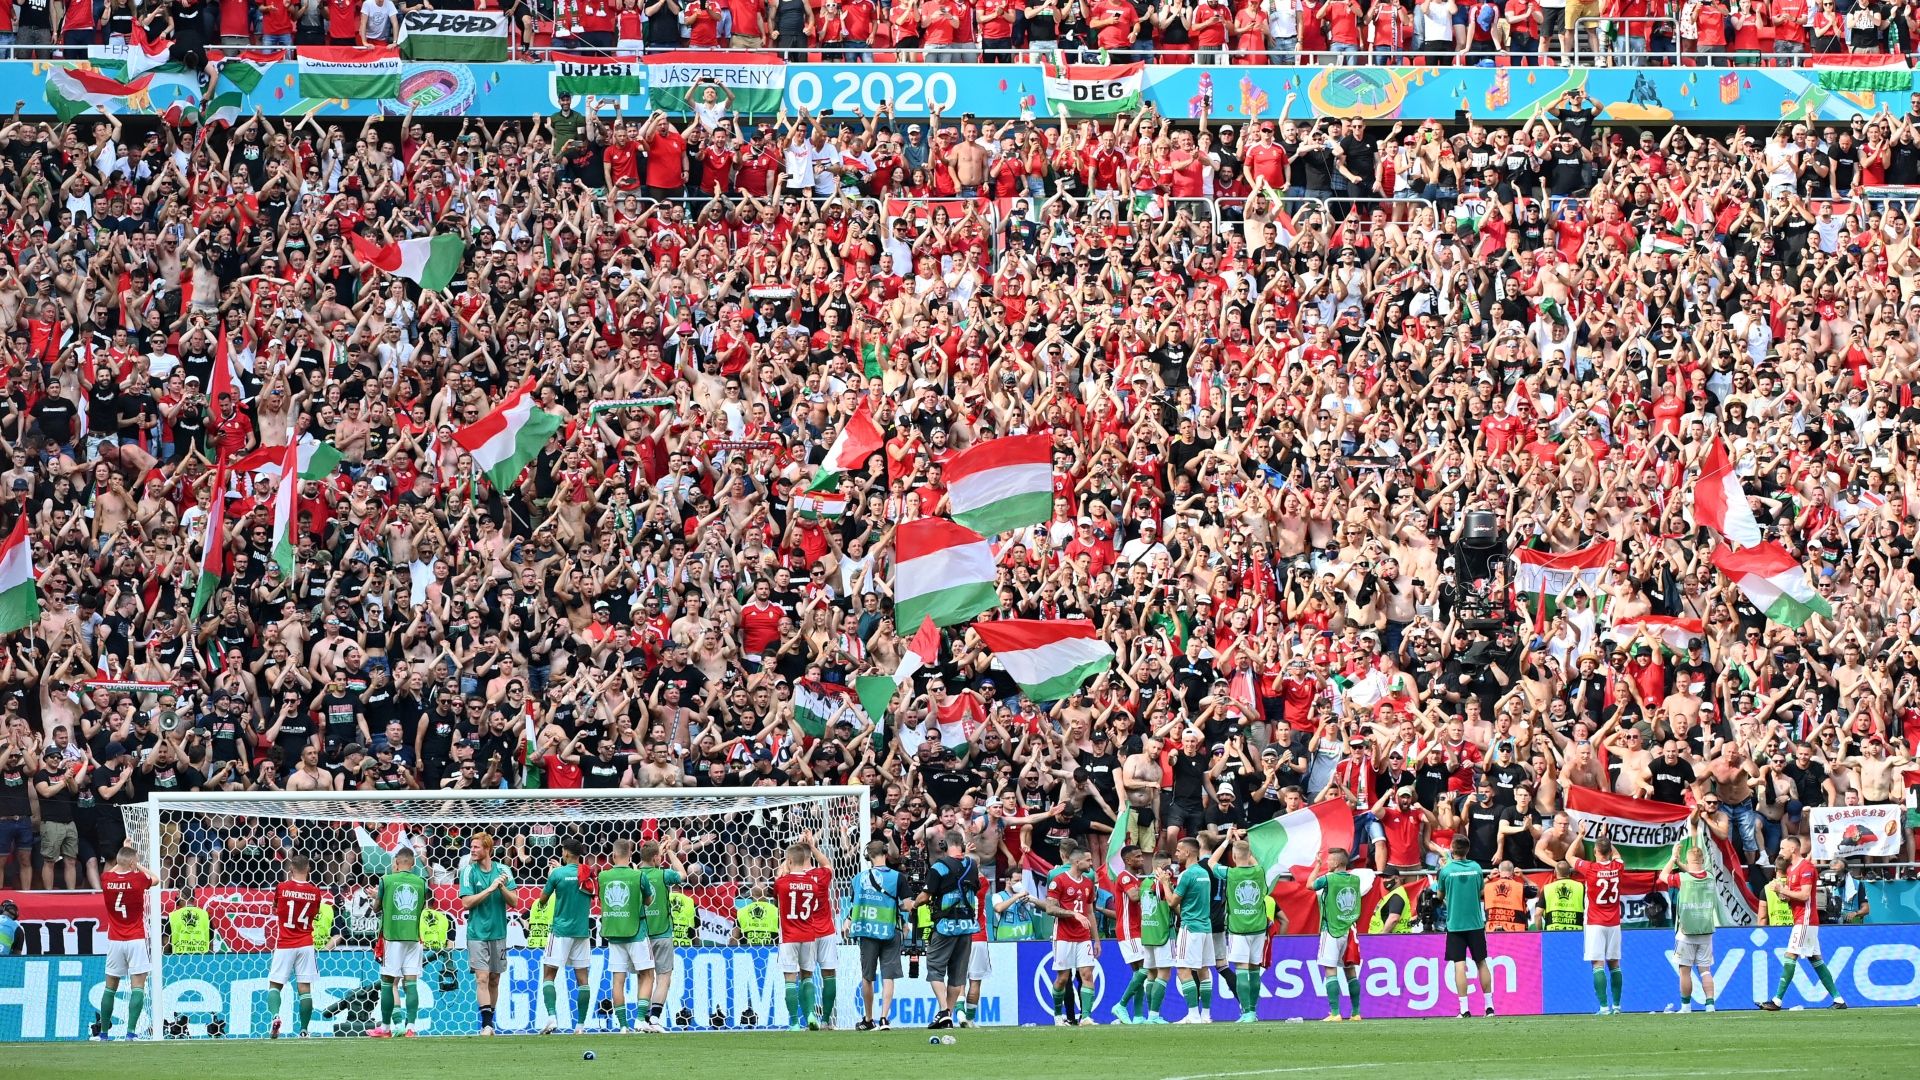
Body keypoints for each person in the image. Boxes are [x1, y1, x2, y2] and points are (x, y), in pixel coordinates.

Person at [1759, 836, 1848, 1011]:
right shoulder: (1791, 869)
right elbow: (1792, 897)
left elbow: (1805, 895)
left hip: (1805, 919)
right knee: (1815, 959)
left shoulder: (1806, 868)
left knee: (1790, 955)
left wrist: (1783, 890)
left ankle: (1777, 1001)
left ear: (1793, 849)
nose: (1780, 852)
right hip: (1801, 918)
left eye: (1783, 848)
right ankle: (1839, 999)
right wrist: (1780, 894)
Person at [1211, 828, 1279, 1023]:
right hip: (1258, 928)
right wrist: (1242, 844)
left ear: (1233, 857)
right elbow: (1252, 860)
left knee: (1241, 968)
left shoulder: (1230, 873)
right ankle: (1253, 1012)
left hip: (1238, 929)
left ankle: (1246, 1012)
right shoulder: (1259, 872)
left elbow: (1211, 862)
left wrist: (1227, 841)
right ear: (1249, 855)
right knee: (1254, 969)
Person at [916, 829, 979, 1030]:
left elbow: (925, 896)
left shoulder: (939, 867)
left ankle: (944, 1011)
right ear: (961, 845)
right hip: (967, 926)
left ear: (944, 845)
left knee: (935, 969)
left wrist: (913, 904)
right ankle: (948, 1016)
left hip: (945, 926)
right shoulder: (972, 865)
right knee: (957, 975)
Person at [458, 831, 517, 1036]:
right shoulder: (468, 871)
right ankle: (487, 1025)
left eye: (476, 847)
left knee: (494, 979)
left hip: (498, 932)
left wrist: (501, 888)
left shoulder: (504, 870)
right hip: (477, 933)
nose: (472, 850)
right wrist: (490, 889)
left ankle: (490, 1023)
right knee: (481, 978)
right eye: (471, 847)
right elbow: (466, 903)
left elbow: (514, 901)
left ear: (487, 849)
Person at [773, 835, 835, 1030]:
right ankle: (814, 1015)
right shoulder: (815, 882)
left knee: (791, 979)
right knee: (809, 976)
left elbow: (779, 876)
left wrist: (788, 861)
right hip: (811, 934)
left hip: (790, 936)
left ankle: (794, 1022)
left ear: (789, 861)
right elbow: (828, 866)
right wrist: (812, 847)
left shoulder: (782, 882)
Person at [94, 846, 154, 1040]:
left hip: (115, 940)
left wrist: (123, 862)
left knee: (110, 987)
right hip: (136, 938)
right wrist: (138, 866)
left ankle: (104, 1034)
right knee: (138, 987)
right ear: (132, 862)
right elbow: (155, 879)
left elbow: (113, 871)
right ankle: (130, 1033)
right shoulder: (138, 879)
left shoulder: (106, 879)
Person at [1433, 836, 1496, 1018]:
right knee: (1481, 962)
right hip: (1475, 924)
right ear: (1468, 850)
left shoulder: (1446, 871)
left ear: (1452, 849)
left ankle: (1464, 1009)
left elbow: (1439, 896)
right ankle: (1489, 1007)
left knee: (1459, 965)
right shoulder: (1476, 868)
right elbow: (1481, 891)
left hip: (1455, 925)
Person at [846, 840, 906, 1031]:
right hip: (890, 930)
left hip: (867, 930)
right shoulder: (897, 877)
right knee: (888, 976)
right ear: (886, 854)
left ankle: (868, 1019)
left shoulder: (858, 879)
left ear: (868, 856)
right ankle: (884, 1019)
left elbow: (855, 904)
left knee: (867, 977)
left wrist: (848, 920)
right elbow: (906, 905)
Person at [369, 846, 429, 1038]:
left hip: (392, 937)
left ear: (396, 862)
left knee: (387, 982)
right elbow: (421, 908)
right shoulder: (422, 883)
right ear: (413, 863)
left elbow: (377, 908)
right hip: (414, 938)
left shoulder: (386, 880)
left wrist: (376, 898)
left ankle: (386, 1028)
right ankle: (410, 1028)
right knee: (411, 983)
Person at [537, 841, 595, 1035]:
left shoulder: (557, 874)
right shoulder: (588, 873)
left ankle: (552, 1017)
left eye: (563, 850)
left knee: (549, 975)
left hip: (561, 931)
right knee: (583, 979)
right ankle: (580, 1026)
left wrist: (551, 877)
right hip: (581, 932)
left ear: (567, 853)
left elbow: (542, 900)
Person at [1568, 824, 1625, 1015]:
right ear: (1609, 851)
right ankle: (1617, 1006)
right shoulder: (1618, 867)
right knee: (1615, 963)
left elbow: (1569, 856)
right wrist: (1605, 838)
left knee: (1598, 964)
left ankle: (1603, 1007)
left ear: (1595, 851)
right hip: (1614, 923)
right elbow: (1616, 855)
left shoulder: (1590, 868)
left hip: (1595, 922)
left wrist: (1580, 836)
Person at [1660, 824, 1718, 1013]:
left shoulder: (1681, 879)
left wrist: (1673, 859)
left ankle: (1686, 1006)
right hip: (1706, 930)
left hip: (1686, 931)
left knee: (1684, 970)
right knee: (1705, 970)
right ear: (1703, 860)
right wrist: (1682, 863)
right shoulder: (1710, 877)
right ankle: (1710, 1005)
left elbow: (1663, 876)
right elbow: (1695, 873)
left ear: (1687, 859)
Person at [1041, 845, 1101, 1026]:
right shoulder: (1058, 881)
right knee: (1063, 978)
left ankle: (1086, 1017)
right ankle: (1058, 1015)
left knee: (1087, 974)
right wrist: (1073, 914)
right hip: (1063, 936)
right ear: (1077, 861)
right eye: (1088, 860)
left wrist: (1096, 940)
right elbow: (1050, 909)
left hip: (1083, 937)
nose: (1091, 863)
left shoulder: (1088, 883)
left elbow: (1089, 912)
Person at [599, 839, 654, 1032]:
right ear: (630, 855)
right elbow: (649, 901)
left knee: (618, 980)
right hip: (636, 932)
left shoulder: (603, 876)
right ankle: (639, 1019)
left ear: (613, 855)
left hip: (614, 934)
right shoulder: (638, 875)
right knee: (647, 975)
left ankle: (623, 1025)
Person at [266, 855, 325, 1039]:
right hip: (305, 943)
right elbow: (315, 913)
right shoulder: (315, 891)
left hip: (285, 943)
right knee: (304, 989)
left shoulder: (282, 888)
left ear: (291, 868)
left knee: (275, 985)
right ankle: (304, 1030)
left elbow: (276, 907)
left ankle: (275, 1016)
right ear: (308, 869)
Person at [636, 837, 691, 1031]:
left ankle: (641, 1019)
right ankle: (654, 1019)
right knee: (663, 977)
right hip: (662, 934)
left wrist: (658, 851)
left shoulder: (635, 875)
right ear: (656, 858)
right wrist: (670, 852)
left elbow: (645, 862)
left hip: (641, 935)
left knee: (644, 978)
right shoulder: (663, 875)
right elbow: (683, 874)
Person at [1309, 849, 1365, 1022]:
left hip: (1331, 929)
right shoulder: (1355, 879)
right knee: (1350, 971)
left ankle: (1335, 1013)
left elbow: (1310, 885)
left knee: (1330, 970)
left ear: (1337, 863)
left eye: (1329, 860)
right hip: (1349, 930)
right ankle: (1356, 1013)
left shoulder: (1329, 879)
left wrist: (1317, 866)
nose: (1327, 862)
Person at [1167, 836, 1216, 1024]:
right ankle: (1206, 1015)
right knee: (1203, 970)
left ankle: (1193, 1014)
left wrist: (1164, 883)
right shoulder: (1205, 873)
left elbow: (1172, 902)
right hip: (1206, 927)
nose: (1176, 854)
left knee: (1182, 968)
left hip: (1190, 927)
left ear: (1187, 852)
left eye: (1179, 850)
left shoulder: (1186, 875)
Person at [1109, 843, 1149, 1024]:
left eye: (1141, 856)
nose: (1141, 859)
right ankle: (1121, 1005)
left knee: (1138, 974)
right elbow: (1134, 896)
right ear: (1127, 860)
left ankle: (1138, 1016)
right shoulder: (1125, 877)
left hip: (1136, 929)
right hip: (1128, 929)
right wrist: (1152, 885)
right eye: (1137, 856)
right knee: (1146, 968)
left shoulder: (1134, 878)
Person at [1540, 863, 1585, 932]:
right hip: (1577, 932)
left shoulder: (1547, 888)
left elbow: (1537, 914)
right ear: (1570, 872)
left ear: (1555, 872)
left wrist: (1540, 931)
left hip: (1552, 932)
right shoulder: (1581, 887)